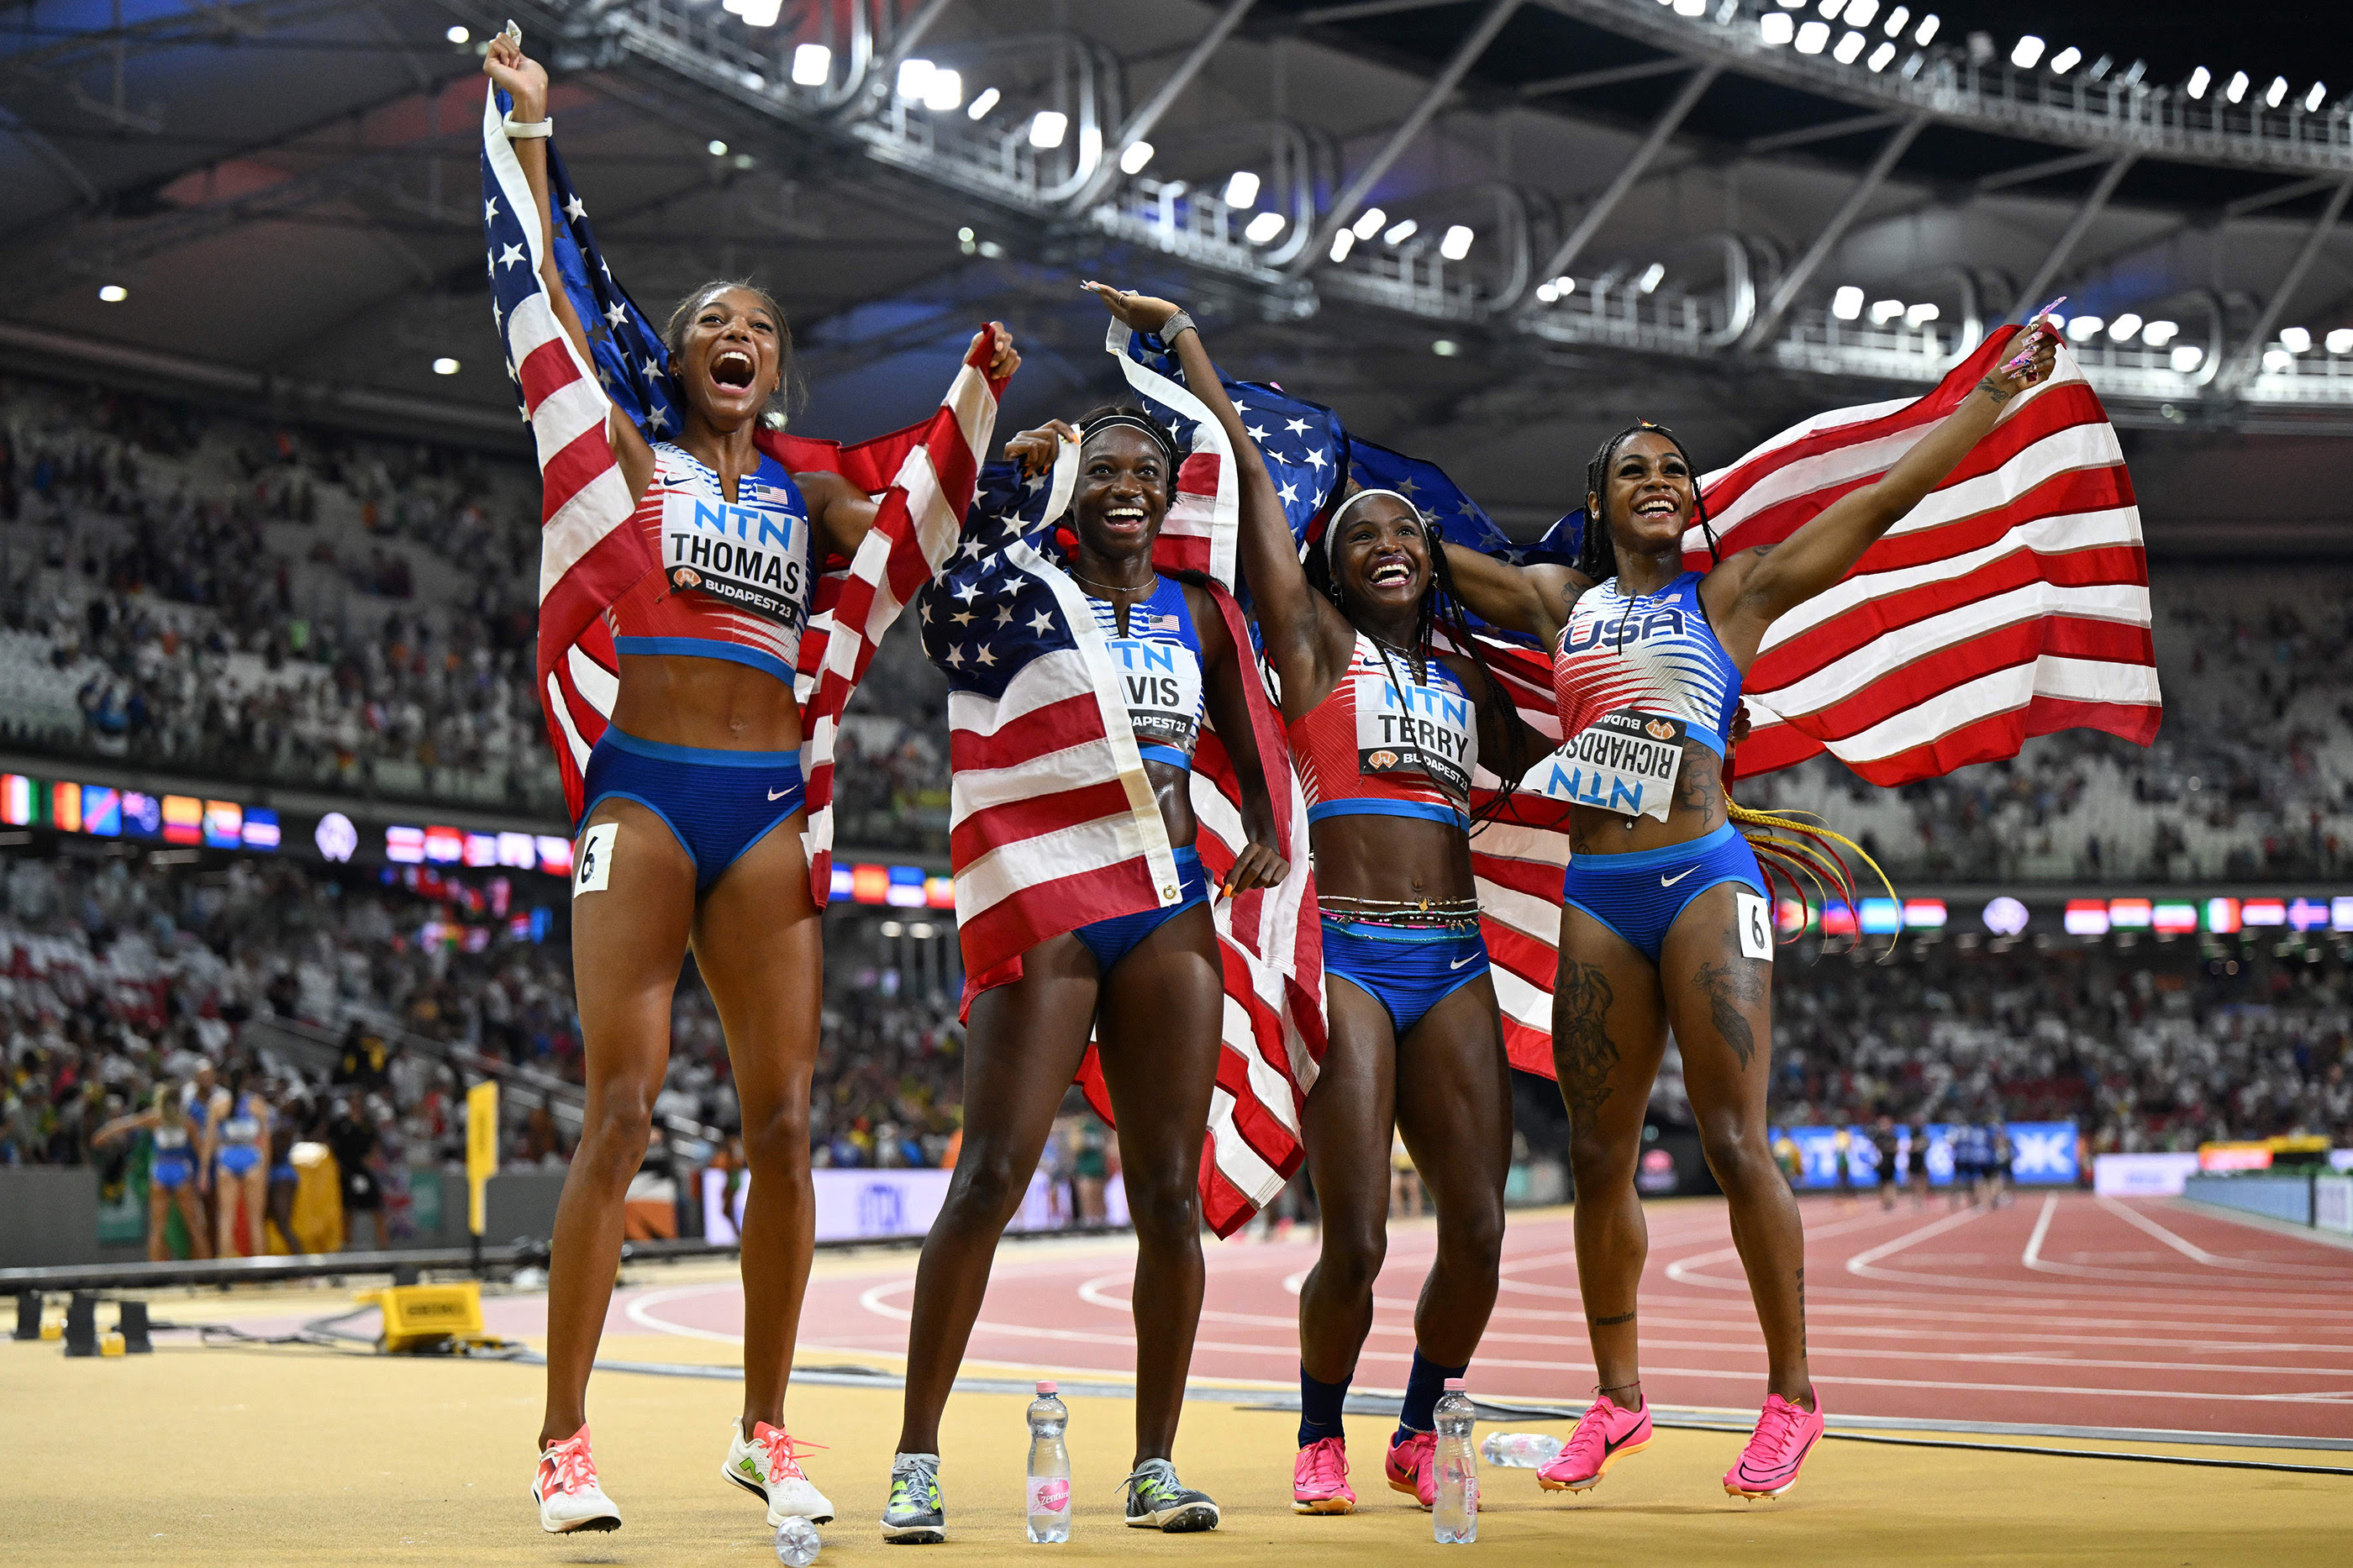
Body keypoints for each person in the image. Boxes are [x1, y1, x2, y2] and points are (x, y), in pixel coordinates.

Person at [482, 31, 1021, 1539]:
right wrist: (531, 136)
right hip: (643, 798)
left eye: (762, 328)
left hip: (770, 807)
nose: (739, 335)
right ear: (681, 359)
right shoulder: (630, 456)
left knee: (784, 1125)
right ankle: (563, 1441)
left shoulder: (809, 488)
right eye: (715, 322)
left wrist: (998, 436)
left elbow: (917, 524)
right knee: (622, 1109)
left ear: (780, 370)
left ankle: (766, 1428)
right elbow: (558, 308)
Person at [1437, 319, 2057, 1502]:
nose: (1658, 481)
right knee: (1600, 1155)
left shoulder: (1733, 593)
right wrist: (1278, 472)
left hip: (1704, 879)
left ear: (1692, 499)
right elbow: (1404, 548)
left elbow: (1879, 505)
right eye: (1634, 469)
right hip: (1596, 891)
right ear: (1597, 501)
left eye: (1674, 469)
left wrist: (1988, 400)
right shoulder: (1556, 600)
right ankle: (1617, 1398)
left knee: (1732, 1139)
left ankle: (1792, 1397)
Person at [879, 283, 1289, 1545]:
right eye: (1103, 469)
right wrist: (1010, 486)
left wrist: (1266, 822)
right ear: (1076, 489)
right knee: (991, 1173)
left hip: (1166, 903)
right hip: (1054, 890)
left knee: (1166, 1191)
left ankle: (1154, 1464)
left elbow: (1247, 742)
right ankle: (915, 1457)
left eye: (1144, 473)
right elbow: (936, 605)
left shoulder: (1198, 608)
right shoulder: (1024, 588)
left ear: (1166, 496)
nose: (1125, 486)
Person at [1223, 379, 1543, 1512]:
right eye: (1365, 534)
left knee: (1482, 1228)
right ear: (1330, 566)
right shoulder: (1314, 645)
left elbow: (1567, 759)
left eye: (1409, 531)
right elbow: (1256, 489)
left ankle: (1415, 1424)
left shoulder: (1465, 682)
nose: (1391, 544)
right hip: (1349, 952)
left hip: (1454, 962)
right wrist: (1188, 350)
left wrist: (1690, 745)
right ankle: (1320, 1433)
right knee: (1355, 1238)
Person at [92, 1084, 212, 1263]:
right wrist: (203, 1173)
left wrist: (102, 1134)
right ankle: (208, 1269)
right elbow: (201, 1151)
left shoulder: (155, 1118)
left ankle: (157, 1272)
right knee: (194, 1226)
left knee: (157, 1228)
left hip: (161, 1170)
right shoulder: (187, 1122)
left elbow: (126, 1124)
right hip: (180, 1170)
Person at [208, 1066, 272, 1260]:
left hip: (227, 1156)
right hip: (251, 1157)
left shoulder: (218, 1104)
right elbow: (265, 1140)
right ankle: (261, 1269)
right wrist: (265, 1168)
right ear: (247, 1080)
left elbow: (210, 1141)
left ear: (227, 1080)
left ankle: (226, 1269)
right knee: (256, 1221)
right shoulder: (257, 1103)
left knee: (226, 1220)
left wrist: (203, 1170)